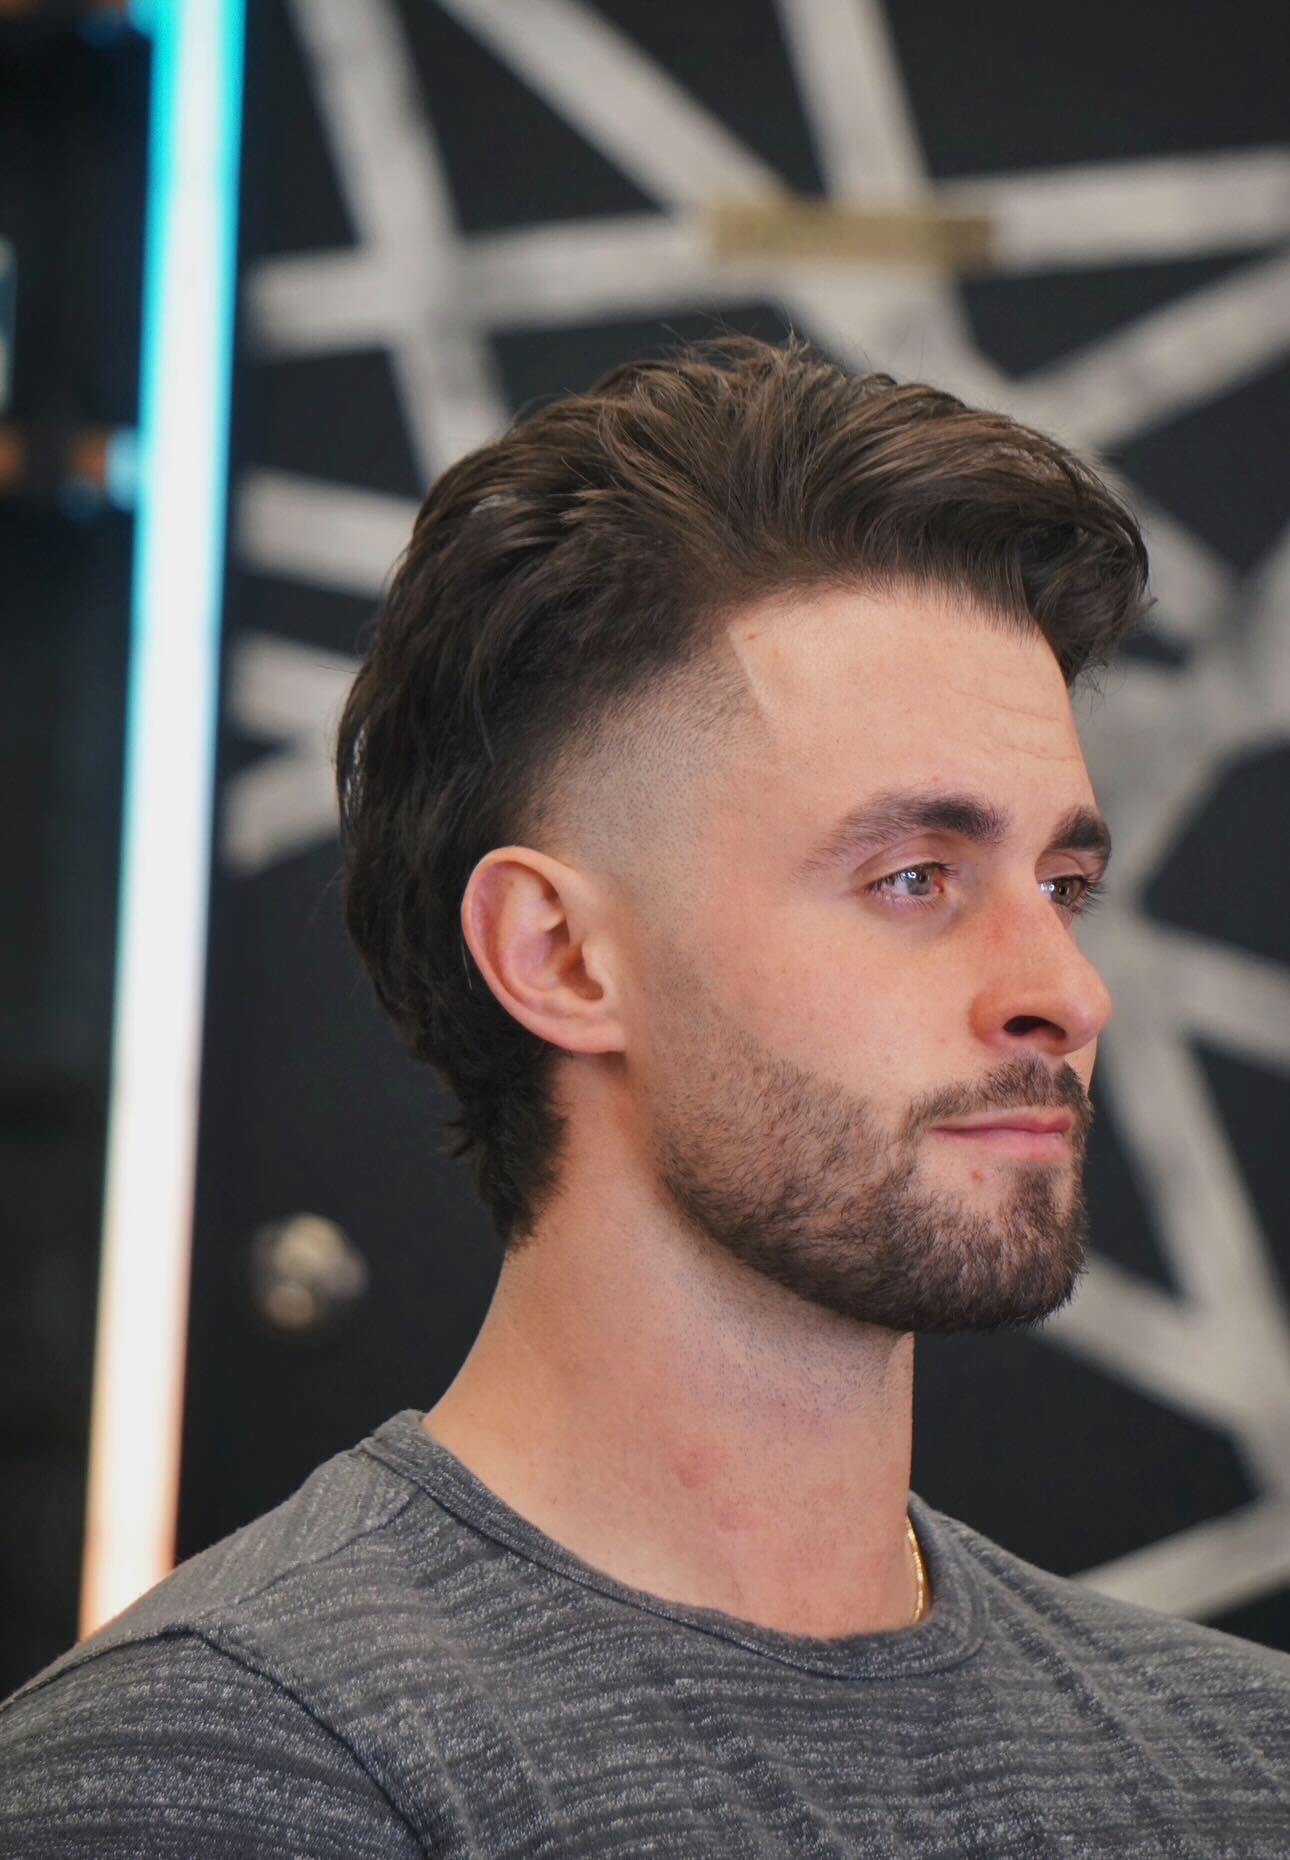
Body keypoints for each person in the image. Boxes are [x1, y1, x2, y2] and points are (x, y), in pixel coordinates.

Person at [2, 336, 1287, 1857]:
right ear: (558, 956)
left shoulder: (1242, 1754)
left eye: (1060, 884)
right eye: (913, 877)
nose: (1067, 991)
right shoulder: (209, 1775)